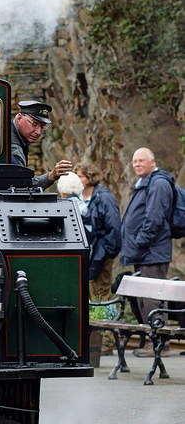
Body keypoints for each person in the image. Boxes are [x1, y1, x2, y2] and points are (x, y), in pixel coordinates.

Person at [119, 147, 174, 347]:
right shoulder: (144, 183)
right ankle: (153, 341)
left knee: (153, 298)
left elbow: (154, 218)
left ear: (152, 162)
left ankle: (160, 343)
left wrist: (139, 242)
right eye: (135, 161)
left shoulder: (158, 183)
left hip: (152, 252)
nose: (138, 164)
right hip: (143, 253)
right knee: (143, 299)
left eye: (142, 160)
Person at [74, 160, 122, 356]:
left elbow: (113, 228)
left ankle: (108, 341)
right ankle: (93, 340)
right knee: (89, 295)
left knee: (103, 296)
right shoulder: (78, 196)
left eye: (80, 176)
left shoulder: (104, 198)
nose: (77, 180)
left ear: (89, 178)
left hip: (101, 252)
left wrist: (106, 253)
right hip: (88, 252)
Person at [10, 99, 72, 188]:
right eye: (34, 124)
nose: (38, 132)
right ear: (19, 118)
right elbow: (23, 186)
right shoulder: (13, 149)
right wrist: (51, 175)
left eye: (42, 127)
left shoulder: (8, 132)